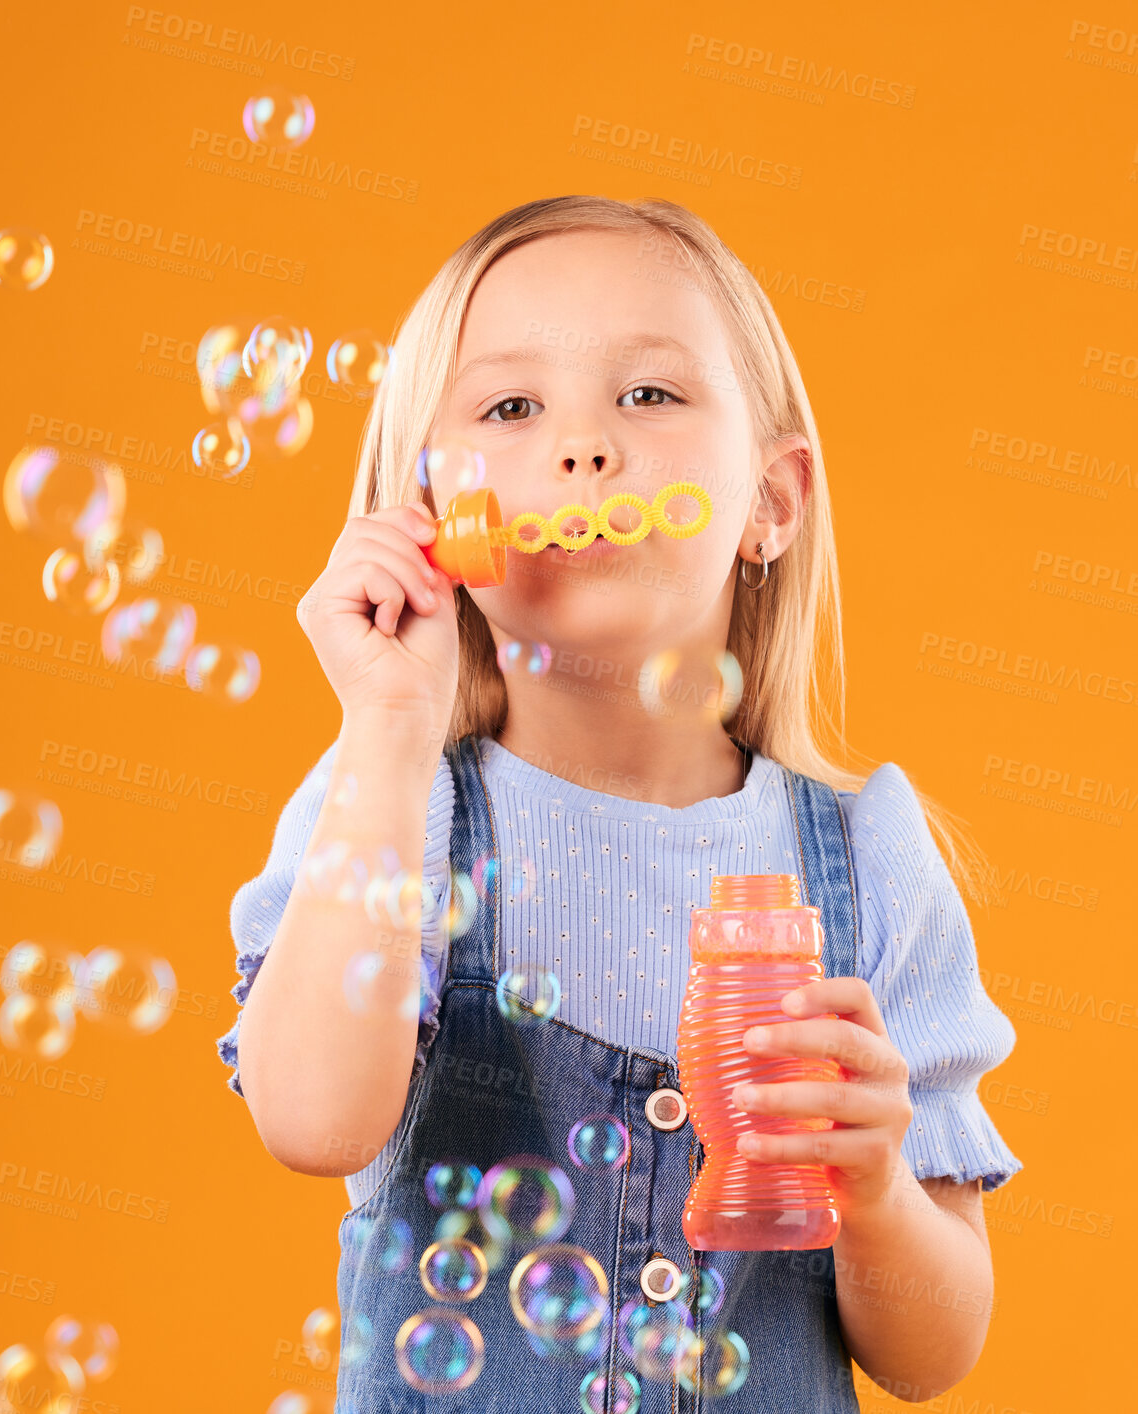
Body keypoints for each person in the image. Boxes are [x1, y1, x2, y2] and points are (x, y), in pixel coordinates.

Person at [216, 196, 1022, 1412]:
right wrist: (387, 724)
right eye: (510, 408)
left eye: (648, 396)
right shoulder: (392, 808)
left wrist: (875, 1195)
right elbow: (313, 1122)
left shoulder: (865, 858)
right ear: (436, 522)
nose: (585, 449)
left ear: (772, 501)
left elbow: (931, 1352)